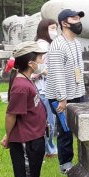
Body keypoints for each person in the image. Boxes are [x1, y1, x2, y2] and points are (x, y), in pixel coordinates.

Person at [1, 41, 52, 177]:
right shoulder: (21, 86)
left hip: (33, 136)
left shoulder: (26, 79)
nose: (42, 60)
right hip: (25, 140)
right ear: (31, 63)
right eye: (39, 57)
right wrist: (8, 136)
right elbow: (11, 114)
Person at [46, 8, 86, 175]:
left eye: (79, 18)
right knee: (66, 130)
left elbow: (79, 70)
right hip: (60, 96)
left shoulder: (76, 42)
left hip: (77, 93)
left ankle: (84, 161)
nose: (78, 21)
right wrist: (62, 99)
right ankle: (66, 164)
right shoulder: (57, 45)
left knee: (82, 127)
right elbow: (57, 74)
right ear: (64, 23)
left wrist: (81, 92)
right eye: (74, 18)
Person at [34, 19, 58, 158]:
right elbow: (37, 67)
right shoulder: (42, 45)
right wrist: (44, 71)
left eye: (55, 28)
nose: (54, 31)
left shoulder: (47, 44)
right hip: (42, 88)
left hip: (47, 87)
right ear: (44, 30)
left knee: (49, 120)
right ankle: (48, 149)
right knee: (48, 120)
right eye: (52, 28)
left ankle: (48, 148)